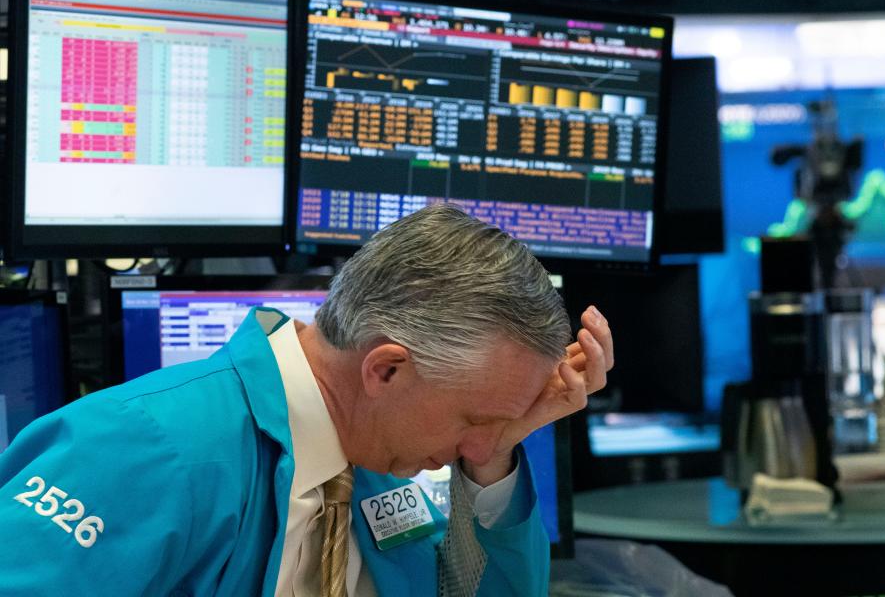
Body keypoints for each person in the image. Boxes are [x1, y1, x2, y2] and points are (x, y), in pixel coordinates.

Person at [0, 203, 613, 596]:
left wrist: (494, 457)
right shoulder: (140, 447)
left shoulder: (379, 450)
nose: (472, 448)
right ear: (388, 369)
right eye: (475, 420)